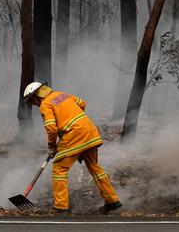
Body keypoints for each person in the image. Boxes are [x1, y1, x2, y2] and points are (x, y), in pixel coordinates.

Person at [23, 82, 122, 214]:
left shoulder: (45, 105)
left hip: (74, 134)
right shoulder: (61, 95)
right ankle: (112, 201)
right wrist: (70, 117)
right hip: (89, 131)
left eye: (32, 101)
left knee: (59, 168)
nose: (34, 104)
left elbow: (51, 128)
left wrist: (51, 146)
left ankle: (60, 206)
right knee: (94, 166)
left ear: (36, 96)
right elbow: (82, 103)